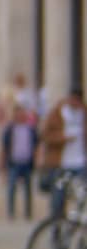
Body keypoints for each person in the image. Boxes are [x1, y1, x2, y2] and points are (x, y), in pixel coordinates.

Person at [40, 87, 87, 217]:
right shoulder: (57, 113)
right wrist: (63, 138)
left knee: (81, 198)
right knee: (58, 199)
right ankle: (57, 231)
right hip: (61, 164)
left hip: (81, 164)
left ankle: (76, 227)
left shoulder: (84, 114)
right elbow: (45, 135)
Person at [1, 105, 38, 220]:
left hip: (27, 162)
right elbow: (4, 149)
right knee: (12, 188)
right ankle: (11, 212)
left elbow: (36, 146)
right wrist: (3, 167)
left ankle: (28, 213)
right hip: (14, 162)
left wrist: (36, 161)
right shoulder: (10, 129)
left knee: (28, 189)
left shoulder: (30, 129)